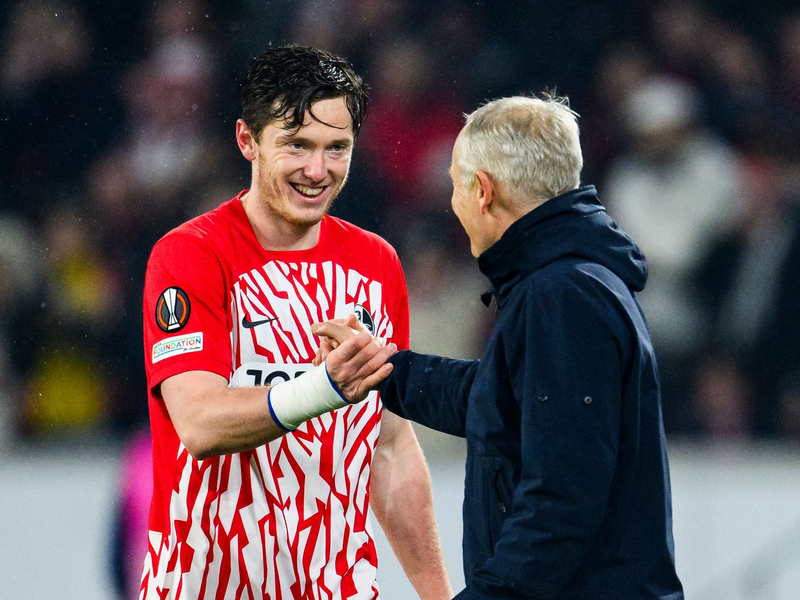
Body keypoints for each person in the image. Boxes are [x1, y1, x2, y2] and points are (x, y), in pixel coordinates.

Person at [314, 96, 684, 599]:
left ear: (483, 190)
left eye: (455, 185)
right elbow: (507, 403)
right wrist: (386, 370)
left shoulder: (561, 296)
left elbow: (561, 498)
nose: (452, 203)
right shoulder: (572, 281)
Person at [140, 45, 452, 600]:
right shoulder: (190, 255)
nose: (318, 170)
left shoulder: (376, 264)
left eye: (338, 148)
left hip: (339, 586)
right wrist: (323, 387)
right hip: (207, 586)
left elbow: (390, 447)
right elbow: (199, 424)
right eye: (297, 145)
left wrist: (438, 595)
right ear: (247, 141)